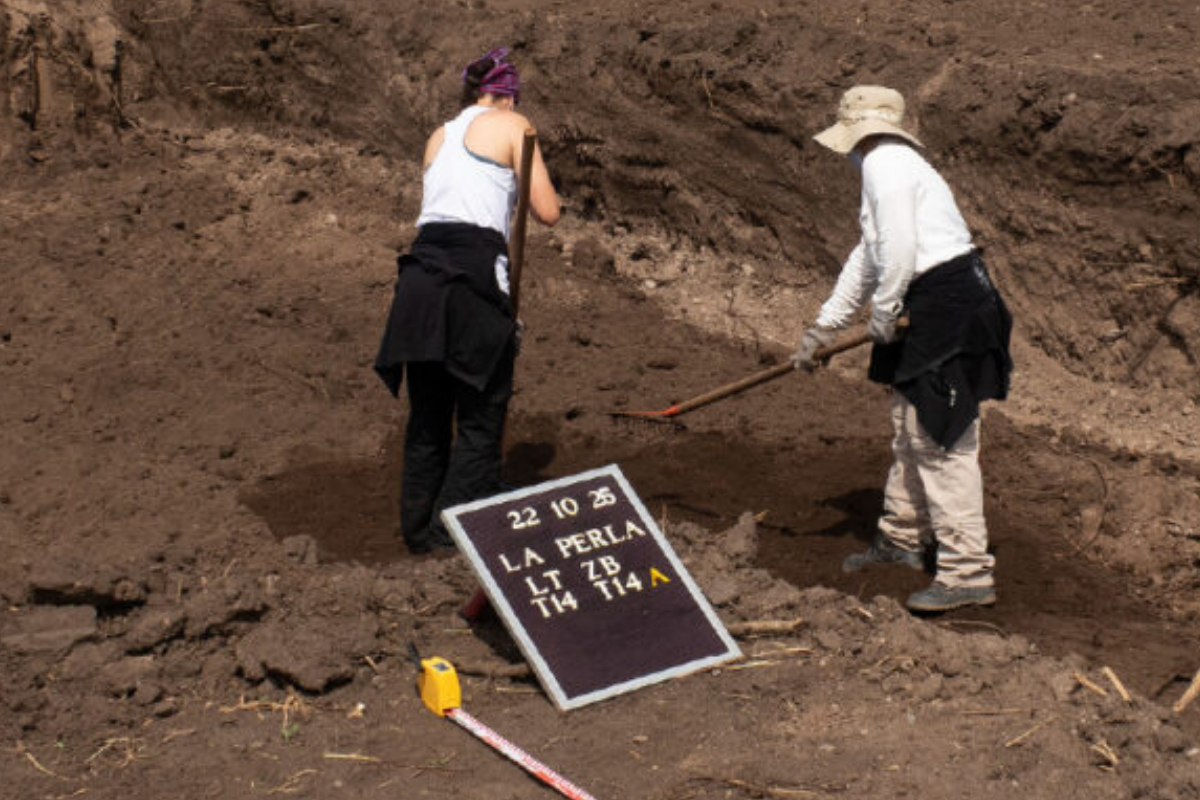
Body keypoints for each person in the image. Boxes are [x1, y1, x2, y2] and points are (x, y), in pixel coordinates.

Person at [793, 85, 1012, 612]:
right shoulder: (893, 166)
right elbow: (870, 255)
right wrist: (825, 327)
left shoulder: (885, 165)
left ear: (856, 132)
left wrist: (885, 311)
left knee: (940, 435)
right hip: (929, 297)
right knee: (908, 423)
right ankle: (902, 537)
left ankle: (966, 572)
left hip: (947, 302)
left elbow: (901, 251)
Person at [374, 47, 560, 554]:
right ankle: (450, 537)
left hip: (418, 279)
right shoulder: (515, 127)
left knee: (429, 415)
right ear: (505, 96)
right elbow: (547, 211)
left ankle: (418, 530)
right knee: (481, 416)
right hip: (471, 280)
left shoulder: (439, 136)